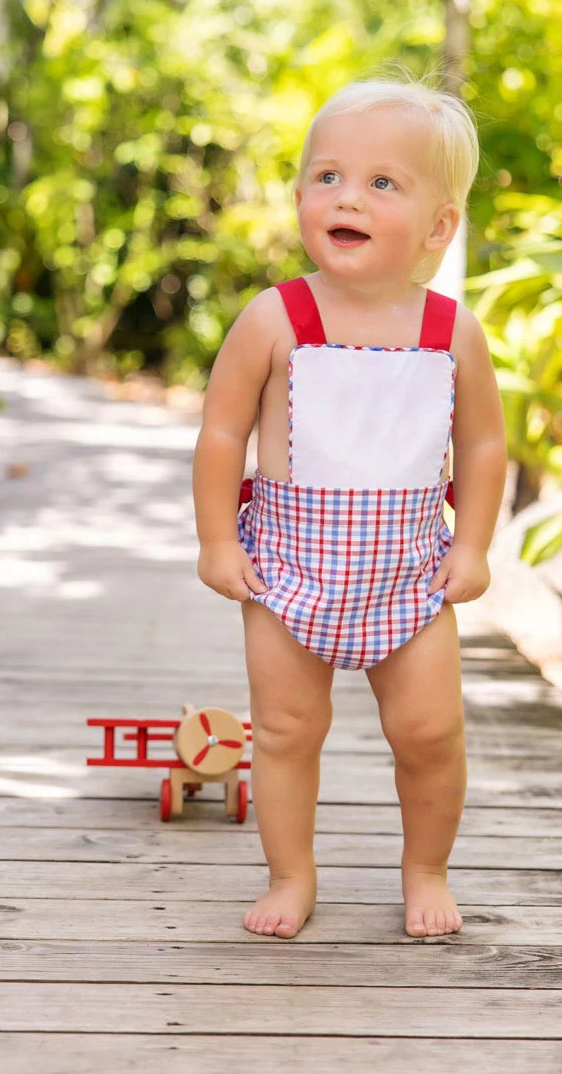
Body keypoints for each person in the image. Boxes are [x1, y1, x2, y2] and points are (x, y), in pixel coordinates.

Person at [192, 73, 507, 940]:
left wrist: (472, 547)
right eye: (326, 176)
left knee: (430, 733)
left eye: (381, 183)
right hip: (288, 571)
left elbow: (483, 446)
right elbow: (221, 433)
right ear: (299, 195)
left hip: (408, 576)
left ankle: (425, 866)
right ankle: (291, 874)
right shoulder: (275, 317)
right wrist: (217, 540)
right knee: (287, 729)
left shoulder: (451, 331)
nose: (347, 197)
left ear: (437, 227)